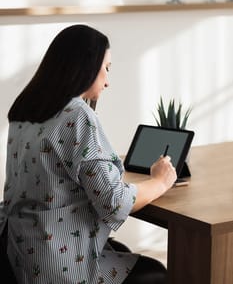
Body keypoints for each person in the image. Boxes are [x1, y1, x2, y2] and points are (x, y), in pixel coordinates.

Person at [0, 24, 177, 283]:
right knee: (158, 273)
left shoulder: (25, 110)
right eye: (106, 68)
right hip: (58, 264)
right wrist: (160, 181)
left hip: (19, 251)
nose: (108, 80)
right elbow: (114, 203)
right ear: (85, 67)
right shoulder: (77, 114)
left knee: (122, 252)